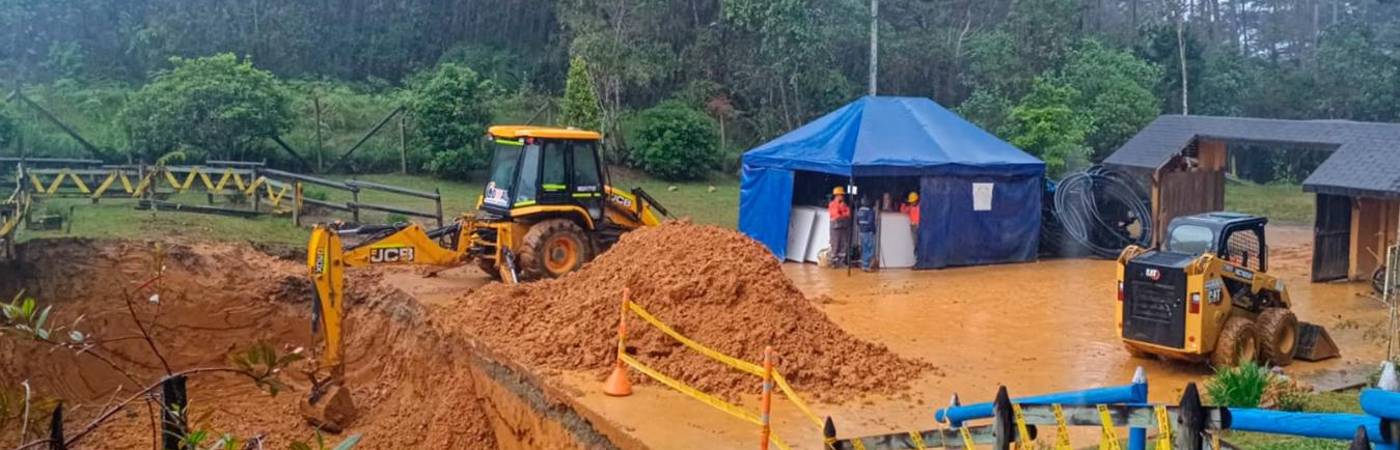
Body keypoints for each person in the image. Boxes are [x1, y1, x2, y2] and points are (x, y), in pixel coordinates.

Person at [827, 186, 851, 267]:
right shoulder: (832, 204)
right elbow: (836, 215)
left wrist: (842, 213)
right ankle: (833, 263)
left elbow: (848, 213)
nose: (843, 197)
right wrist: (843, 213)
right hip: (835, 227)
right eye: (841, 195)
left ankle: (841, 262)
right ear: (837, 195)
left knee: (843, 244)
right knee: (835, 244)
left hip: (843, 226)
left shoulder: (844, 204)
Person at [856, 196, 877, 271]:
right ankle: (867, 266)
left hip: (862, 231)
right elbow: (871, 222)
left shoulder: (859, 210)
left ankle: (864, 264)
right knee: (869, 249)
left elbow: (857, 222)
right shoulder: (870, 211)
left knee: (864, 248)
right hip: (868, 232)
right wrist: (874, 230)